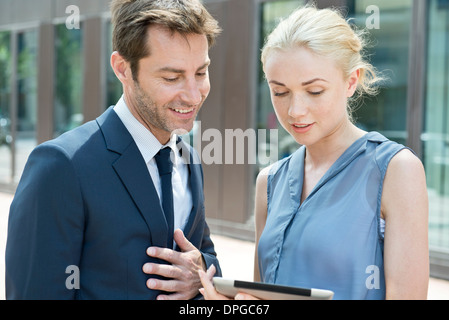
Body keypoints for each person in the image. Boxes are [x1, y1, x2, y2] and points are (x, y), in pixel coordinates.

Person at [200, 5, 429, 300]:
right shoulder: (269, 182)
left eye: (315, 91)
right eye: (280, 92)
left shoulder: (395, 170)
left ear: (351, 81)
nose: (295, 110)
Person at [6, 0, 222, 300]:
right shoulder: (61, 166)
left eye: (201, 73)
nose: (193, 94)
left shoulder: (189, 159)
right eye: (171, 77)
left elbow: (205, 258)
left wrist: (200, 275)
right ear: (123, 69)